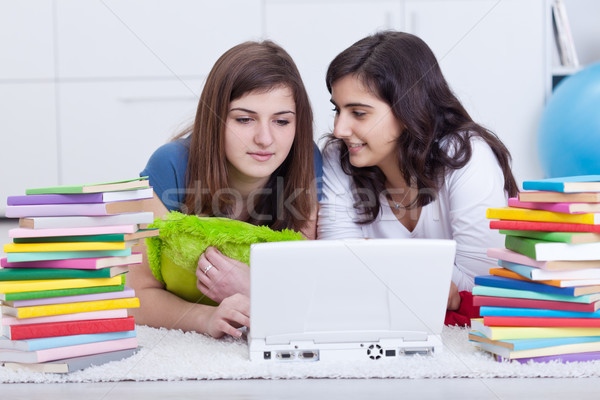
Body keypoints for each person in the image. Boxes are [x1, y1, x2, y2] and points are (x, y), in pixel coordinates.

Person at [128, 40, 321, 338]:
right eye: (244, 119)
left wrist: (255, 286)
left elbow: (308, 282)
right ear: (215, 119)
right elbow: (137, 296)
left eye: (282, 121)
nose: (265, 139)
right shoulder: (170, 165)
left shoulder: (306, 161)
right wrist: (205, 319)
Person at [317, 31, 518, 314]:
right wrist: (423, 276)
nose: (340, 129)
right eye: (338, 110)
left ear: (408, 109)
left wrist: (375, 259)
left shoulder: (468, 156)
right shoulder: (340, 155)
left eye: (359, 113)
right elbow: (336, 263)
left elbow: (484, 284)